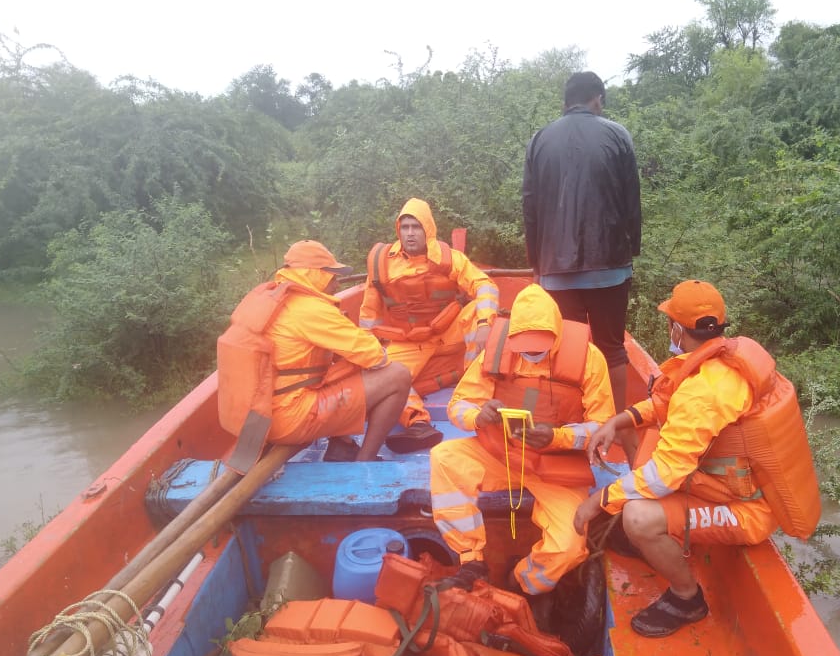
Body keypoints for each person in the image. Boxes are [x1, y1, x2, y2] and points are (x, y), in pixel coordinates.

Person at [572, 280, 821, 638]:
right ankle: (647, 540)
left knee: (638, 516)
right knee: (641, 473)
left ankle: (687, 599)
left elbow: (665, 475)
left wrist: (599, 501)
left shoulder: (706, 392)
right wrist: (620, 420)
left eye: (670, 321)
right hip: (719, 485)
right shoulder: (716, 361)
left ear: (677, 328)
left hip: (745, 508)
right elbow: (665, 403)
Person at [429, 284, 615, 600]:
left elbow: (602, 429)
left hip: (557, 466)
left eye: (540, 344)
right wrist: (478, 415)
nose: (531, 351)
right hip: (502, 454)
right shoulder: (495, 351)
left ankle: (522, 583)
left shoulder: (589, 359)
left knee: (568, 547)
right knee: (444, 457)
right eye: (525, 345)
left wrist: (558, 436)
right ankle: (471, 561)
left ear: (556, 333)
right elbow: (457, 406)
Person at [217, 240, 411, 465]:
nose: (336, 284)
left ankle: (343, 445)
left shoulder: (269, 298)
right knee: (398, 375)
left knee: (344, 364)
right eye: (332, 276)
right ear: (315, 274)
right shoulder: (311, 309)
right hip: (290, 418)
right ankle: (365, 459)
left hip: (259, 418)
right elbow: (375, 356)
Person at [522, 71, 642, 420]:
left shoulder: (539, 139)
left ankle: (574, 423)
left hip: (555, 271)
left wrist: (537, 262)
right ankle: (615, 425)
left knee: (570, 349)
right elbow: (631, 199)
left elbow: (530, 205)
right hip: (610, 267)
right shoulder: (618, 135)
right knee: (612, 348)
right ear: (598, 99)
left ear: (566, 100)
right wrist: (631, 247)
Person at [360, 197, 500, 453]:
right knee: (385, 377)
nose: (410, 233)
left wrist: (484, 324)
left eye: (416, 227)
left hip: (449, 335)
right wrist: (368, 353)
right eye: (405, 227)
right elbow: (369, 315)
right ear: (398, 230)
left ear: (428, 230)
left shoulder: (450, 259)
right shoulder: (381, 265)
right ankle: (418, 424)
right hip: (408, 342)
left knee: (475, 312)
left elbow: (485, 285)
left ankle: (472, 388)